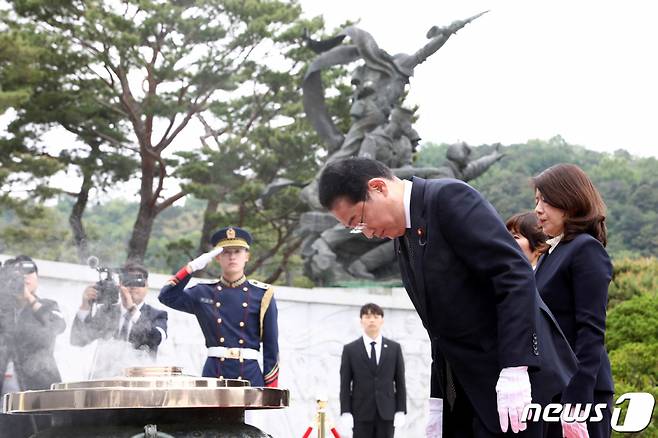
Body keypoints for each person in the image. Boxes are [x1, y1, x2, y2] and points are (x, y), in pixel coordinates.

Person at [318, 158, 578, 438]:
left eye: (360, 219)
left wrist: (516, 367)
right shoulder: (402, 239)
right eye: (355, 229)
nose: (367, 233)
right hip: (471, 393)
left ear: (378, 188)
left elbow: (513, 275)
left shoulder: (449, 199)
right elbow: (440, 330)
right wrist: (437, 400)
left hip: (519, 385)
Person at [533, 164, 614, 438]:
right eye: (536, 201)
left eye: (545, 200)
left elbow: (591, 331)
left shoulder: (585, 249)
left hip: (580, 393)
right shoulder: (550, 253)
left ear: (568, 202)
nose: (538, 210)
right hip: (552, 392)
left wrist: (576, 403)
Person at [159, 226, 279, 387]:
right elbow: (167, 296)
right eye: (226, 252)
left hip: (249, 376)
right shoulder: (203, 292)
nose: (232, 257)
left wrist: (270, 387)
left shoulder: (263, 294)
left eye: (237, 251)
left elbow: (271, 346)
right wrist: (191, 268)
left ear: (247, 256)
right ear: (217, 257)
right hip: (214, 374)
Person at [0, 255, 66, 436]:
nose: (25, 277)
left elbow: (57, 326)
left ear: (37, 277)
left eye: (30, 272)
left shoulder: (47, 305)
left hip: (38, 391)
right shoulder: (3, 308)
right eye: (18, 274)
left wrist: (28, 297)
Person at [71, 262, 168, 361]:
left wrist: (132, 310)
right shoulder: (106, 312)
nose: (133, 287)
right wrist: (85, 306)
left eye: (138, 281)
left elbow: (156, 338)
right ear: (120, 285)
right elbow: (77, 340)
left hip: (137, 374)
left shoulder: (157, 315)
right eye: (128, 281)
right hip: (103, 374)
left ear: (147, 285)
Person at [339, 303, 406, 438]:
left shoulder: (394, 348)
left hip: (386, 412)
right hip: (360, 412)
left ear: (382, 320)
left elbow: (400, 381)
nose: (371, 320)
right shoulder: (350, 349)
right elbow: (345, 383)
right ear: (361, 321)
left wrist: (401, 409)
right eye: (367, 316)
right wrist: (345, 411)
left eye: (376, 316)